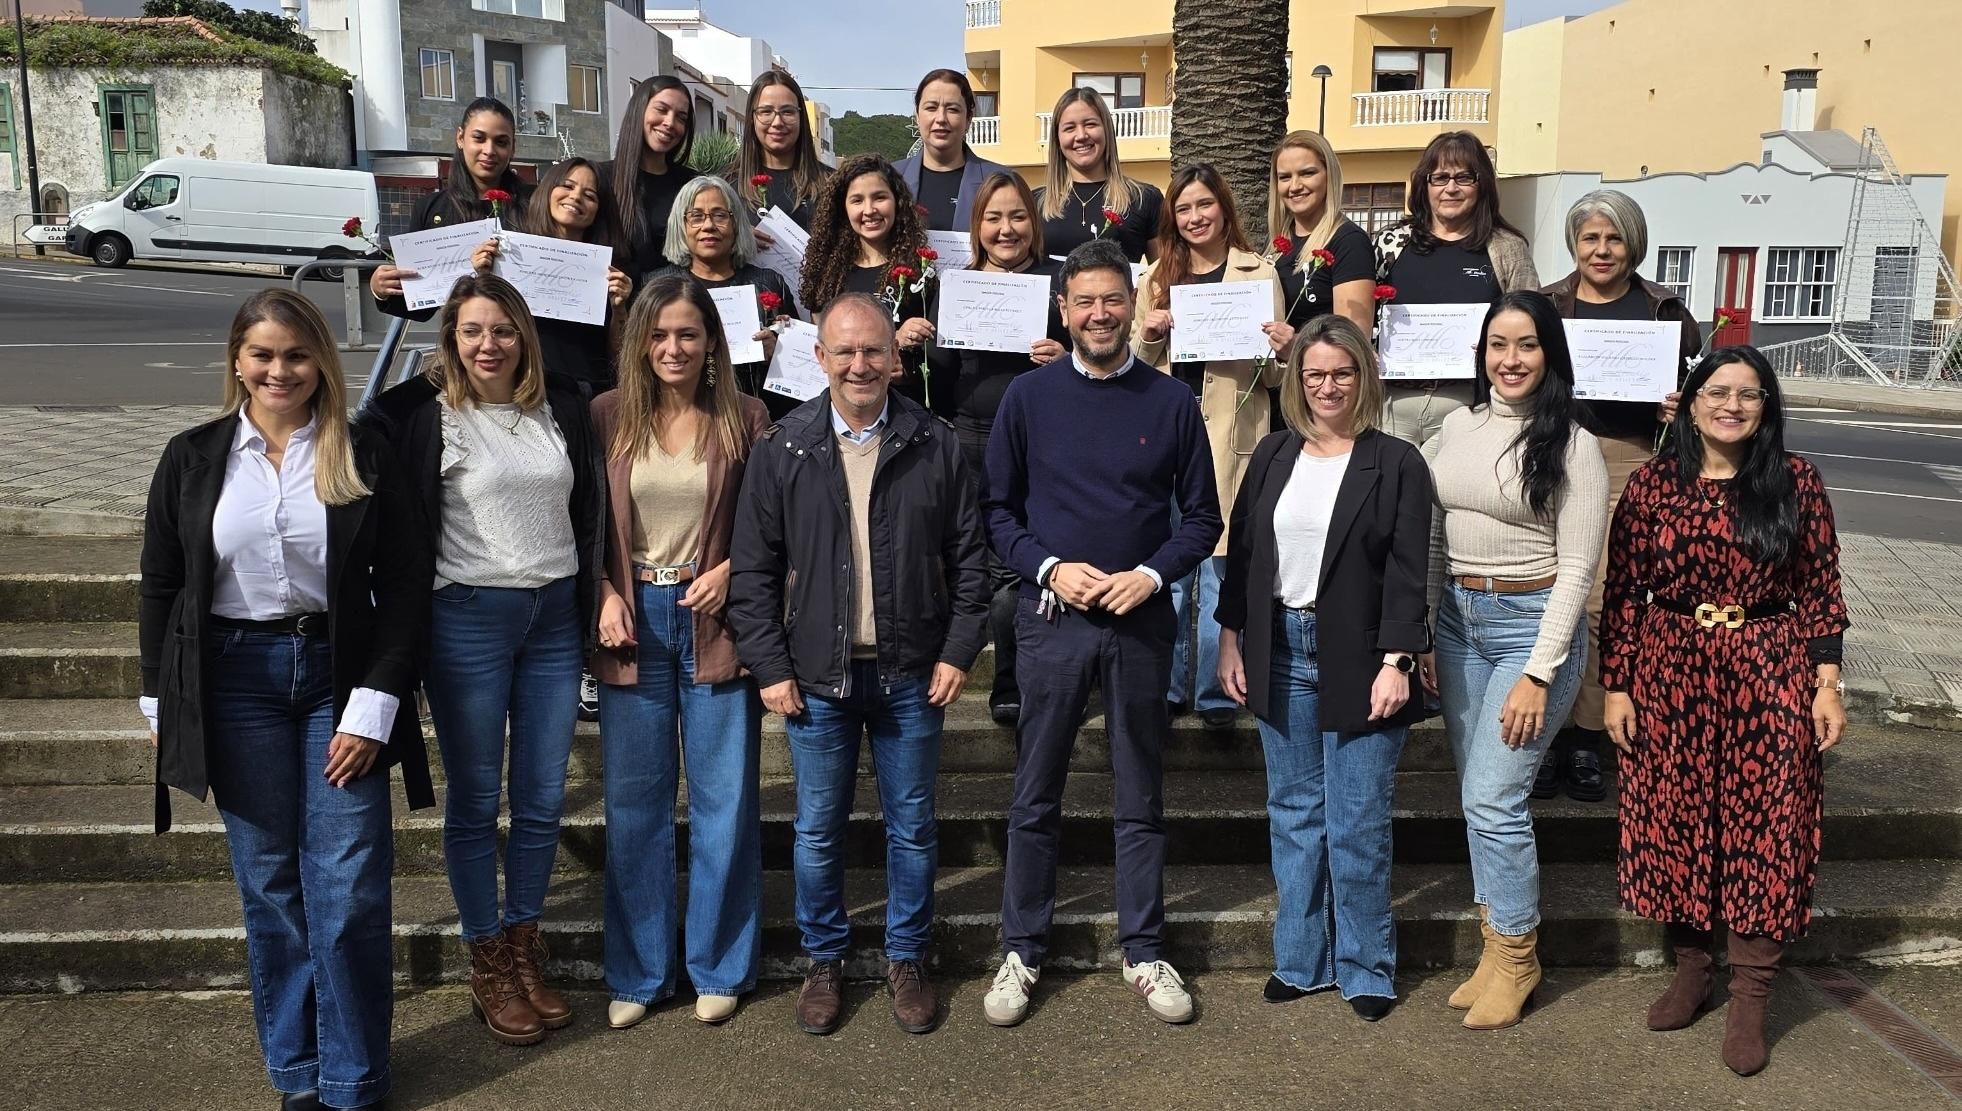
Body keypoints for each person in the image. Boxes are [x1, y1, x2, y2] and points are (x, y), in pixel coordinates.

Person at [138, 290, 431, 1110]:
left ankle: (354, 1076)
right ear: (237, 359)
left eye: (296, 355)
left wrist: (378, 699)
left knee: (348, 886)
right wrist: (162, 698)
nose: (279, 370)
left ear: (321, 364)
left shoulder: (361, 450)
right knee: (270, 884)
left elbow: (406, 585)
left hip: (338, 677)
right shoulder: (192, 456)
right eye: (264, 354)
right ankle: (298, 1072)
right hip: (234, 682)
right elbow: (162, 586)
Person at [727, 292, 990, 1038]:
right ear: (819, 357)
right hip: (816, 678)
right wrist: (770, 666)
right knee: (816, 830)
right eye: (844, 351)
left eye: (873, 350)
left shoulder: (935, 442)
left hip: (913, 673)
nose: (859, 364)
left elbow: (971, 561)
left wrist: (958, 650)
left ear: (895, 357)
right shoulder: (785, 446)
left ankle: (906, 956)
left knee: (912, 827)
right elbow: (752, 571)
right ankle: (825, 957)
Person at [981, 238, 1221, 1028]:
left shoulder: (1172, 403)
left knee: (1139, 795)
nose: (1099, 313)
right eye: (1084, 300)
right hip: (1054, 623)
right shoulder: (1027, 398)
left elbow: (1202, 521)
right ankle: (1023, 946)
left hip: (1141, 623)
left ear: (1133, 303)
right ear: (1063, 309)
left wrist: (1150, 574)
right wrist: (1049, 567)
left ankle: (1144, 949)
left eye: (1112, 299)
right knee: (1035, 794)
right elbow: (998, 515)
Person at [365, 274, 603, 1047]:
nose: (488, 344)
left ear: (524, 335)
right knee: (475, 800)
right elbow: (358, 442)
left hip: (555, 618)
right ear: (451, 339)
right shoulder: (423, 414)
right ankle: (488, 959)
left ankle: (526, 946)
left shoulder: (559, 405)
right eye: (471, 330)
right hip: (468, 616)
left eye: (502, 329)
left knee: (538, 796)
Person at [1600, 346, 1848, 1077]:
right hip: (1669, 669)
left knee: (1766, 828)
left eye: (1749, 394)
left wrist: (1825, 682)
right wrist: (1618, 684)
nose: (1732, 405)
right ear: (1692, 399)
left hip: (1768, 669)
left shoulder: (1796, 482)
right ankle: (1691, 968)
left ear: (1766, 407)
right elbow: (1622, 590)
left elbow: (1823, 588)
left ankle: (1750, 994)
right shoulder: (1653, 484)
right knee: (1674, 818)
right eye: (1718, 391)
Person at [1215, 314, 1432, 1023]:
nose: (1328, 385)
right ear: (1297, 381)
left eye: (1341, 372)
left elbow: (1408, 570)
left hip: (1361, 654)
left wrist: (1398, 659)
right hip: (1279, 646)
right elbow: (1242, 554)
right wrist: (1229, 639)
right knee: (1295, 815)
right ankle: (1301, 958)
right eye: (1315, 374)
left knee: (1358, 821)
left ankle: (1366, 964)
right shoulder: (1275, 455)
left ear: (1363, 376)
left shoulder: (1396, 461)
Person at [1418, 290, 1607, 1032]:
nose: (1511, 359)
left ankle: (1521, 955)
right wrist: (1430, 629)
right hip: (1461, 623)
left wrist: (1539, 670)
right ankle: (1494, 949)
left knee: (1495, 795)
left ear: (1549, 353)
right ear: (1481, 352)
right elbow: (1436, 533)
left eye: (1526, 344)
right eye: (1498, 344)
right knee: (1476, 793)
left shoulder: (1573, 443)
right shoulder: (1455, 426)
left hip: (1534, 628)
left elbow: (1578, 569)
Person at [590, 275, 771, 1031]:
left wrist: (732, 569)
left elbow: (772, 521)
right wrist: (603, 590)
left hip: (715, 619)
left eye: (688, 335)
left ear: (711, 343)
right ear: (640, 342)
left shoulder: (747, 417)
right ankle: (639, 971)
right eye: (659, 335)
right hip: (633, 621)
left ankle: (720, 964)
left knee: (725, 801)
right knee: (636, 803)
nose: (673, 348)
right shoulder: (606, 416)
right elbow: (585, 523)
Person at [1133, 164, 1285, 731]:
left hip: (1232, 437)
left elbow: (1274, 381)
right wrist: (1149, 336)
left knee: (1223, 569)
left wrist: (1279, 350)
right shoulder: (1154, 277)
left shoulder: (1258, 274)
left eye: (1205, 205)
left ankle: (1217, 690)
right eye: (1184, 208)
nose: (1195, 217)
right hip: (1167, 440)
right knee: (1168, 570)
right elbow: (1131, 369)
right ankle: (1169, 689)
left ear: (1224, 209)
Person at [951, 171, 1070, 726]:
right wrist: (921, 336)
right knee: (976, 560)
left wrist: (1065, 353)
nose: (1006, 229)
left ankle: (1014, 677)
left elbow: (1095, 355)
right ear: (977, 226)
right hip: (969, 437)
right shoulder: (956, 282)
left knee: (1021, 561)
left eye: (1018, 216)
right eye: (994, 218)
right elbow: (944, 374)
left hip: (1039, 440)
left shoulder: (1060, 282)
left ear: (1034, 222)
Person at [1373, 132, 1539, 445]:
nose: (1451, 188)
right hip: (1391, 405)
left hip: (1470, 406)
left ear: (1482, 185)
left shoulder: (1506, 247)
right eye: (1440, 178)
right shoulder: (1390, 242)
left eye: (1464, 177)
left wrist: (1499, 347)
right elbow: (1362, 315)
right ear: (1425, 185)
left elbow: (1533, 326)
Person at [468, 157, 634, 393]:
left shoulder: (609, 272)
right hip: (522, 388)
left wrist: (620, 309)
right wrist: (483, 278)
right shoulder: (510, 255)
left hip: (587, 395)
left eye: (590, 195)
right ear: (547, 190)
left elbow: (620, 357)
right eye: (567, 186)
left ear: (599, 210)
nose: (576, 197)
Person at [642, 175, 802, 419]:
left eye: (719, 215)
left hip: (752, 419)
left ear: (736, 223)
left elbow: (798, 375)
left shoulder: (769, 283)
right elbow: (636, 358)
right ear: (681, 225)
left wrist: (779, 352)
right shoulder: (656, 285)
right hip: (674, 417)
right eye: (696, 216)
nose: (708, 226)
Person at [368, 97, 533, 318]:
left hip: (529, 341)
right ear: (460, 138)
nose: (489, 150)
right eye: (479, 138)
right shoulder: (430, 208)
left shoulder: (536, 204)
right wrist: (381, 289)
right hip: (464, 344)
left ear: (513, 148)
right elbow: (420, 308)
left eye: (501, 142)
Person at [799, 155, 937, 409]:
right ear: (843, 208)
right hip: (842, 411)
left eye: (879, 197)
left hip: (905, 410)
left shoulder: (921, 272)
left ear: (897, 203)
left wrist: (905, 359)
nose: (869, 209)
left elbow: (938, 361)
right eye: (857, 200)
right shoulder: (828, 274)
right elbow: (819, 346)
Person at [1263, 130, 1375, 338]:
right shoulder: (1275, 248)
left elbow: (1354, 339)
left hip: (1320, 370)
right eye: (1285, 177)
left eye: (1307, 173)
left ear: (1328, 175)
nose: (1295, 186)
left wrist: (1294, 346)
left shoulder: (1349, 242)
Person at [1033, 87, 1164, 262]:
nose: (1081, 135)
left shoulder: (1145, 199)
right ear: (1057, 139)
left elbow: (1164, 275)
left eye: (1090, 124)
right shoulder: (1035, 203)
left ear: (1106, 129)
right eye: (1069, 128)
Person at [894, 69, 1013, 234]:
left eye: (953, 109)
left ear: (969, 118)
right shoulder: (890, 178)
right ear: (917, 116)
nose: (941, 118)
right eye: (931, 107)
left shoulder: (1002, 181)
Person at [601, 75, 700, 273]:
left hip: (676, 299)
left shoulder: (693, 184)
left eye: (681, 117)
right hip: (614, 301)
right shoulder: (600, 179)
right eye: (661, 110)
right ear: (639, 110)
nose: (670, 123)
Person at [734, 69, 827, 231]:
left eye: (787, 112)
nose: (777, 122)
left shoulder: (830, 184)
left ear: (801, 118)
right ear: (751, 118)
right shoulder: (725, 187)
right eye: (766, 112)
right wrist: (736, 239)